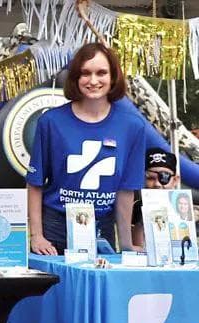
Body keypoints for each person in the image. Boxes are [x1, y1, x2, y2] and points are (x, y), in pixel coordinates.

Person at [27, 43, 146, 255]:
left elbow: (126, 191)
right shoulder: (51, 122)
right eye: (85, 73)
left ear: (113, 77)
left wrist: (127, 245)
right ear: (75, 78)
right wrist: (37, 236)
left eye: (101, 73)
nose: (93, 81)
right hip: (55, 230)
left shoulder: (133, 126)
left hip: (102, 230)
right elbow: (35, 183)